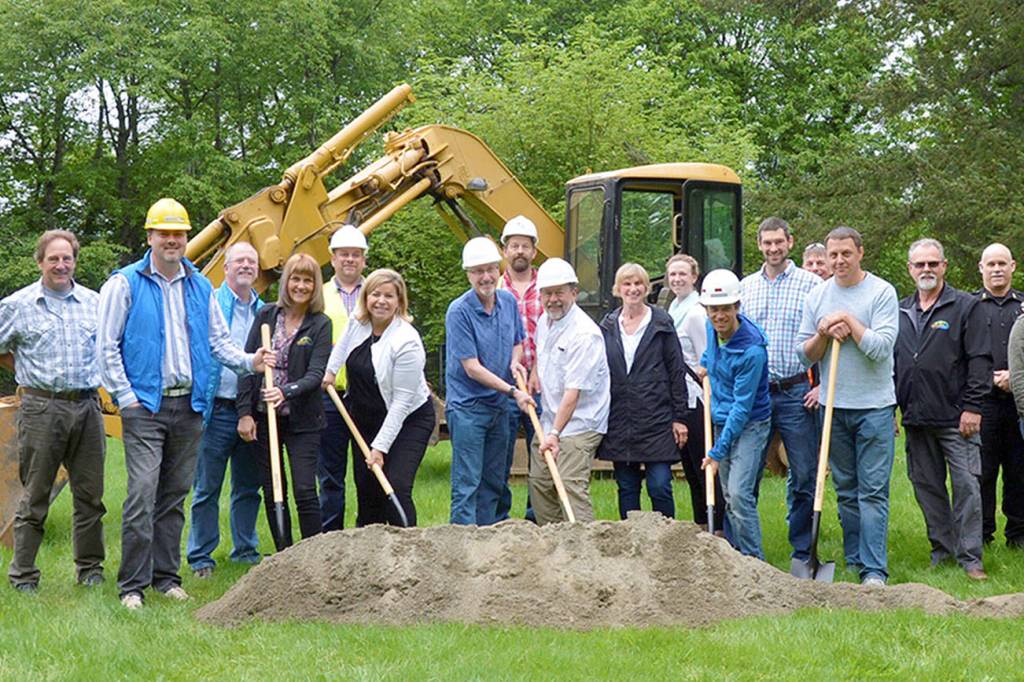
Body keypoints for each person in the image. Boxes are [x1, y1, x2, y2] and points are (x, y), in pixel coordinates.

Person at [98, 198, 269, 609]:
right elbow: (106, 348)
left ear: (186, 238)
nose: (172, 240)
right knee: (142, 494)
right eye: (165, 233)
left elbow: (218, 342)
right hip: (145, 407)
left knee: (174, 496)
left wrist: (251, 361)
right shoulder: (124, 284)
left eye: (179, 234)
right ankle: (132, 586)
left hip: (190, 408)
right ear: (150, 236)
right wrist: (127, 399)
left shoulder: (201, 286)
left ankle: (166, 578)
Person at [0, 230, 106, 593]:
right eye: (53, 259)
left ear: (75, 261)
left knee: (90, 496)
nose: (61, 265)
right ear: (39, 262)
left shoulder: (94, 303)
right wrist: (23, 370)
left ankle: (90, 570)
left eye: (67, 258)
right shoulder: (18, 305)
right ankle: (23, 575)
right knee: (35, 495)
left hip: (88, 406)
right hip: (41, 408)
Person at [797, 226, 899, 586]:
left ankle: (874, 570)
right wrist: (823, 333)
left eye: (846, 254)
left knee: (872, 491)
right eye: (833, 255)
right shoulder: (817, 295)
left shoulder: (881, 292)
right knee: (846, 490)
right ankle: (855, 560)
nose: (839, 261)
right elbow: (804, 355)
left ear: (860, 253)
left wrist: (850, 322)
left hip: (874, 408)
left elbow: (881, 348)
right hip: (833, 409)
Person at [895, 238, 991, 580]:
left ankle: (971, 559)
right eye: (920, 264)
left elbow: (980, 360)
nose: (927, 269)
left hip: (957, 418)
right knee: (927, 487)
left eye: (933, 263)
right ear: (910, 269)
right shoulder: (901, 310)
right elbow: (893, 364)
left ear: (944, 266)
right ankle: (942, 551)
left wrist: (973, 406)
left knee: (967, 487)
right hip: (916, 417)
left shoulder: (966, 306)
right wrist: (893, 409)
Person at [324, 269, 435, 526]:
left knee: (395, 485)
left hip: (408, 420)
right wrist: (330, 372)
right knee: (367, 488)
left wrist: (380, 448)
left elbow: (401, 403)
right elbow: (342, 346)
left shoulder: (407, 342)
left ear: (399, 301)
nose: (381, 301)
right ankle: (370, 546)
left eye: (389, 296)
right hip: (365, 419)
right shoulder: (358, 321)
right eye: (375, 294)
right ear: (366, 297)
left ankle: (407, 543)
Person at [740, 217, 822, 565]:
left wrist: (821, 385)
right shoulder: (745, 287)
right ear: (759, 245)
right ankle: (745, 551)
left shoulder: (812, 285)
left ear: (790, 242)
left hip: (795, 390)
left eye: (779, 242)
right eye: (767, 243)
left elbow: (824, 339)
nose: (773, 248)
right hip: (755, 394)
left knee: (803, 474)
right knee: (747, 475)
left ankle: (803, 552)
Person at [237, 253, 332, 551]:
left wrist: (285, 391)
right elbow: (248, 366)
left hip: (304, 420)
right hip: (265, 418)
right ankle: (284, 555)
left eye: (307, 280)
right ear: (286, 282)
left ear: (315, 286)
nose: (300, 286)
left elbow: (316, 374)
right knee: (274, 489)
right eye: (295, 279)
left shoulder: (320, 324)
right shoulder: (267, 315)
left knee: (304, 489)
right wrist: (245, 413)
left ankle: (313, 553)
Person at [185, 242, 264, 579]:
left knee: (248, 486)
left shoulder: (265, 312)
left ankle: (245, 551)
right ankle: (201, 556)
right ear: (226, 267)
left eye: (251, 261)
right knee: (207, 488)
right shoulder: (211, 303)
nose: (245, 266)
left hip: (252, 411)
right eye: (239, 261)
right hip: (216, 408)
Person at [445, 237, 532, 526]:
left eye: (491, 269)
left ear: (499, 269)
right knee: (467, 482)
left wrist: (515, 361)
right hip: (468, 409)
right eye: (478, 271)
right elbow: (472, 368)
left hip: (499, 407)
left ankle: (489, 538)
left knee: (495, 480)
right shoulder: (459, 311)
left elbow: (518, 341)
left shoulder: (508, 301)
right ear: (468, 275)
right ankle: (463, 542)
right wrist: (512, 390)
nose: (486, 277)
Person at [597, 263, 688, 519]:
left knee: (659, 485)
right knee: (627, 487)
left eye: (638, 283)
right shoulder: (607, 326)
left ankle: (667, 536)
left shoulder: (661, 323)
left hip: (656, 419)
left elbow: (676, 371)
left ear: (647, 288)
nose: (633, 289)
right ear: (618, 289)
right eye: (627, 284)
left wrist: (679, 418)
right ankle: (631, 539)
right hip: (620, 419)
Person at [527, 258, 609, 524]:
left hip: (580, 423)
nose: (553, 300)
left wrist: (554, 434)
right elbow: (544, 354)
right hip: (550, 418)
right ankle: (553, 541)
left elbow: (573, 394)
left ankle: (583, 541)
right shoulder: (544, 322)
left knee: (569, 483)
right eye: (547, 293)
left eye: (559, 292)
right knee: (539, 483)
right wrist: (534, 373)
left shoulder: (584, 335)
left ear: (574, 292)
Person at [699, 269, 771, 560]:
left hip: (750, 423)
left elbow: (742, 408)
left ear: (737, 307)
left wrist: (717, 452)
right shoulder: (711, 329)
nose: (719, 316)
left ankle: (755, 561)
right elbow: (712, 354)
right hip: (721, 417)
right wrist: (705, 363)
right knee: (729, 495)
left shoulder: (752, 351)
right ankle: (737, 558)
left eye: (726, 309)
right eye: (714, 309)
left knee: (739, 494)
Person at [666, 254, 724, 531]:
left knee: (704, 467)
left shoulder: (696, 313)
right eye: (673, 274)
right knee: (690, 468)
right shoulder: (673, 307)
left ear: (694, 277)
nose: (677, 279)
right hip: (681, 399)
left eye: (682, 274)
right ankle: (701, 525)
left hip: (698, 399)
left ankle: (718, 527)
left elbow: (707, 358)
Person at [974, 244, 1024, 548]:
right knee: (983, 471)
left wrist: (1015, 379)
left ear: (1012, 266)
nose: (996, 269)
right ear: (981, 268)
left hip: (1019, 403)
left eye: (1002, 263)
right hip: (984, 403)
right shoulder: (969, 307)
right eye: (990, 264)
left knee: (1019, 470)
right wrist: (990, 378)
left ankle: (1018, 534)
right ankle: (981, 534)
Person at [318, 224, 367, 531]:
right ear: (333, 258)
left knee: (367, 469)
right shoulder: (319, 295)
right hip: (330, 396)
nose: (350, 259)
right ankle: (330, 537)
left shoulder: (377, 292)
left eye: (356, 254)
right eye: (344, 254)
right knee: (330, 475)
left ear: (364, 259)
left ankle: (368, 533)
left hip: (368, 397)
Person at [498, 215, 543, 522]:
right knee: (501, 453)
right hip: (506, 385)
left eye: (525, 246)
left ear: (534, 251)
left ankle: (534, 515)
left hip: (540, 383)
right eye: (514, 246)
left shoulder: (547, 286)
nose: (519, 251)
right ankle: (500, 518)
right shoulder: (495, 286)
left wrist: (538, 369)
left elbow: (552, 334)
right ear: (505, 251)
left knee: (539, 452)